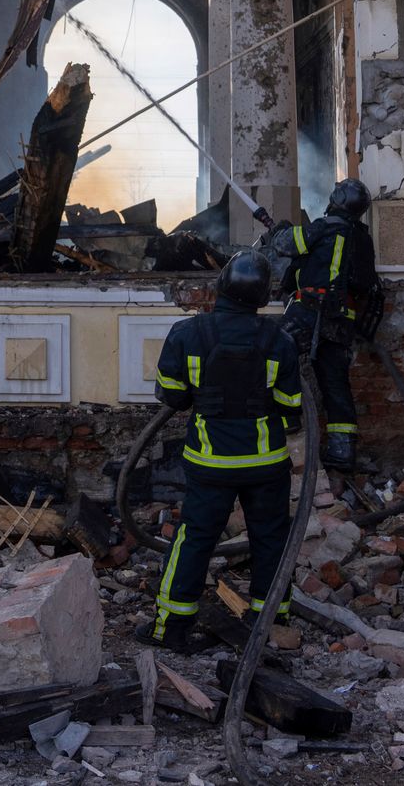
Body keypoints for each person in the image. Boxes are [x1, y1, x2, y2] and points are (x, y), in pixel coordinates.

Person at [136, 250, 303, 649]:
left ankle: (170, 626)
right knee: (271, 537)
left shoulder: (186, 334)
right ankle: (269, 621)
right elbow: (291, 405)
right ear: (263, 295)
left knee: (194, 538)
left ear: (221, 286)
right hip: (266, 463)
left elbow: (171, 395)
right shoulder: (280, 340)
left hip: (209, 462)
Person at [273, 178, 383, 471]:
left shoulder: (325, 227)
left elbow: (284, 245)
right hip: (342, 320)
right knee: (334, 382)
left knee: (272, 352)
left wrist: (279, 230)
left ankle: (287, 419)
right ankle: (342, 451)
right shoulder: (362, 238)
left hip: (310, 311)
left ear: (338, 200)